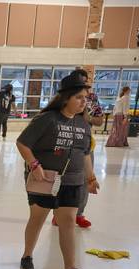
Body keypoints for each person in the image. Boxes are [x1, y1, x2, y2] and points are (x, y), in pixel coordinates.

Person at [17, 74, 99, 269]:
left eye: (86, 98)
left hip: (73, 181)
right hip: (45, 180)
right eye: (79, 97)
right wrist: (34, 165)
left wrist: (90, 178)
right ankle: (27, 254)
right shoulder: (47, 119)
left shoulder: (83, 124)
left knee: (69, 222)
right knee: (38, 218)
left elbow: (85, 153)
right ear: (66, 98)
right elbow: (23, 143)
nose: (84, 102)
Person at [53, 69, 104, 229]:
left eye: (85, 82)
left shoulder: (93, 99)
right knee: (61, 179)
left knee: (83, 181)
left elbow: (100, 121)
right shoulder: (63, 98)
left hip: (85, 145)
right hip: (64, 141)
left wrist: (87, 118)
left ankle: (79, 214)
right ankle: (58, 214)